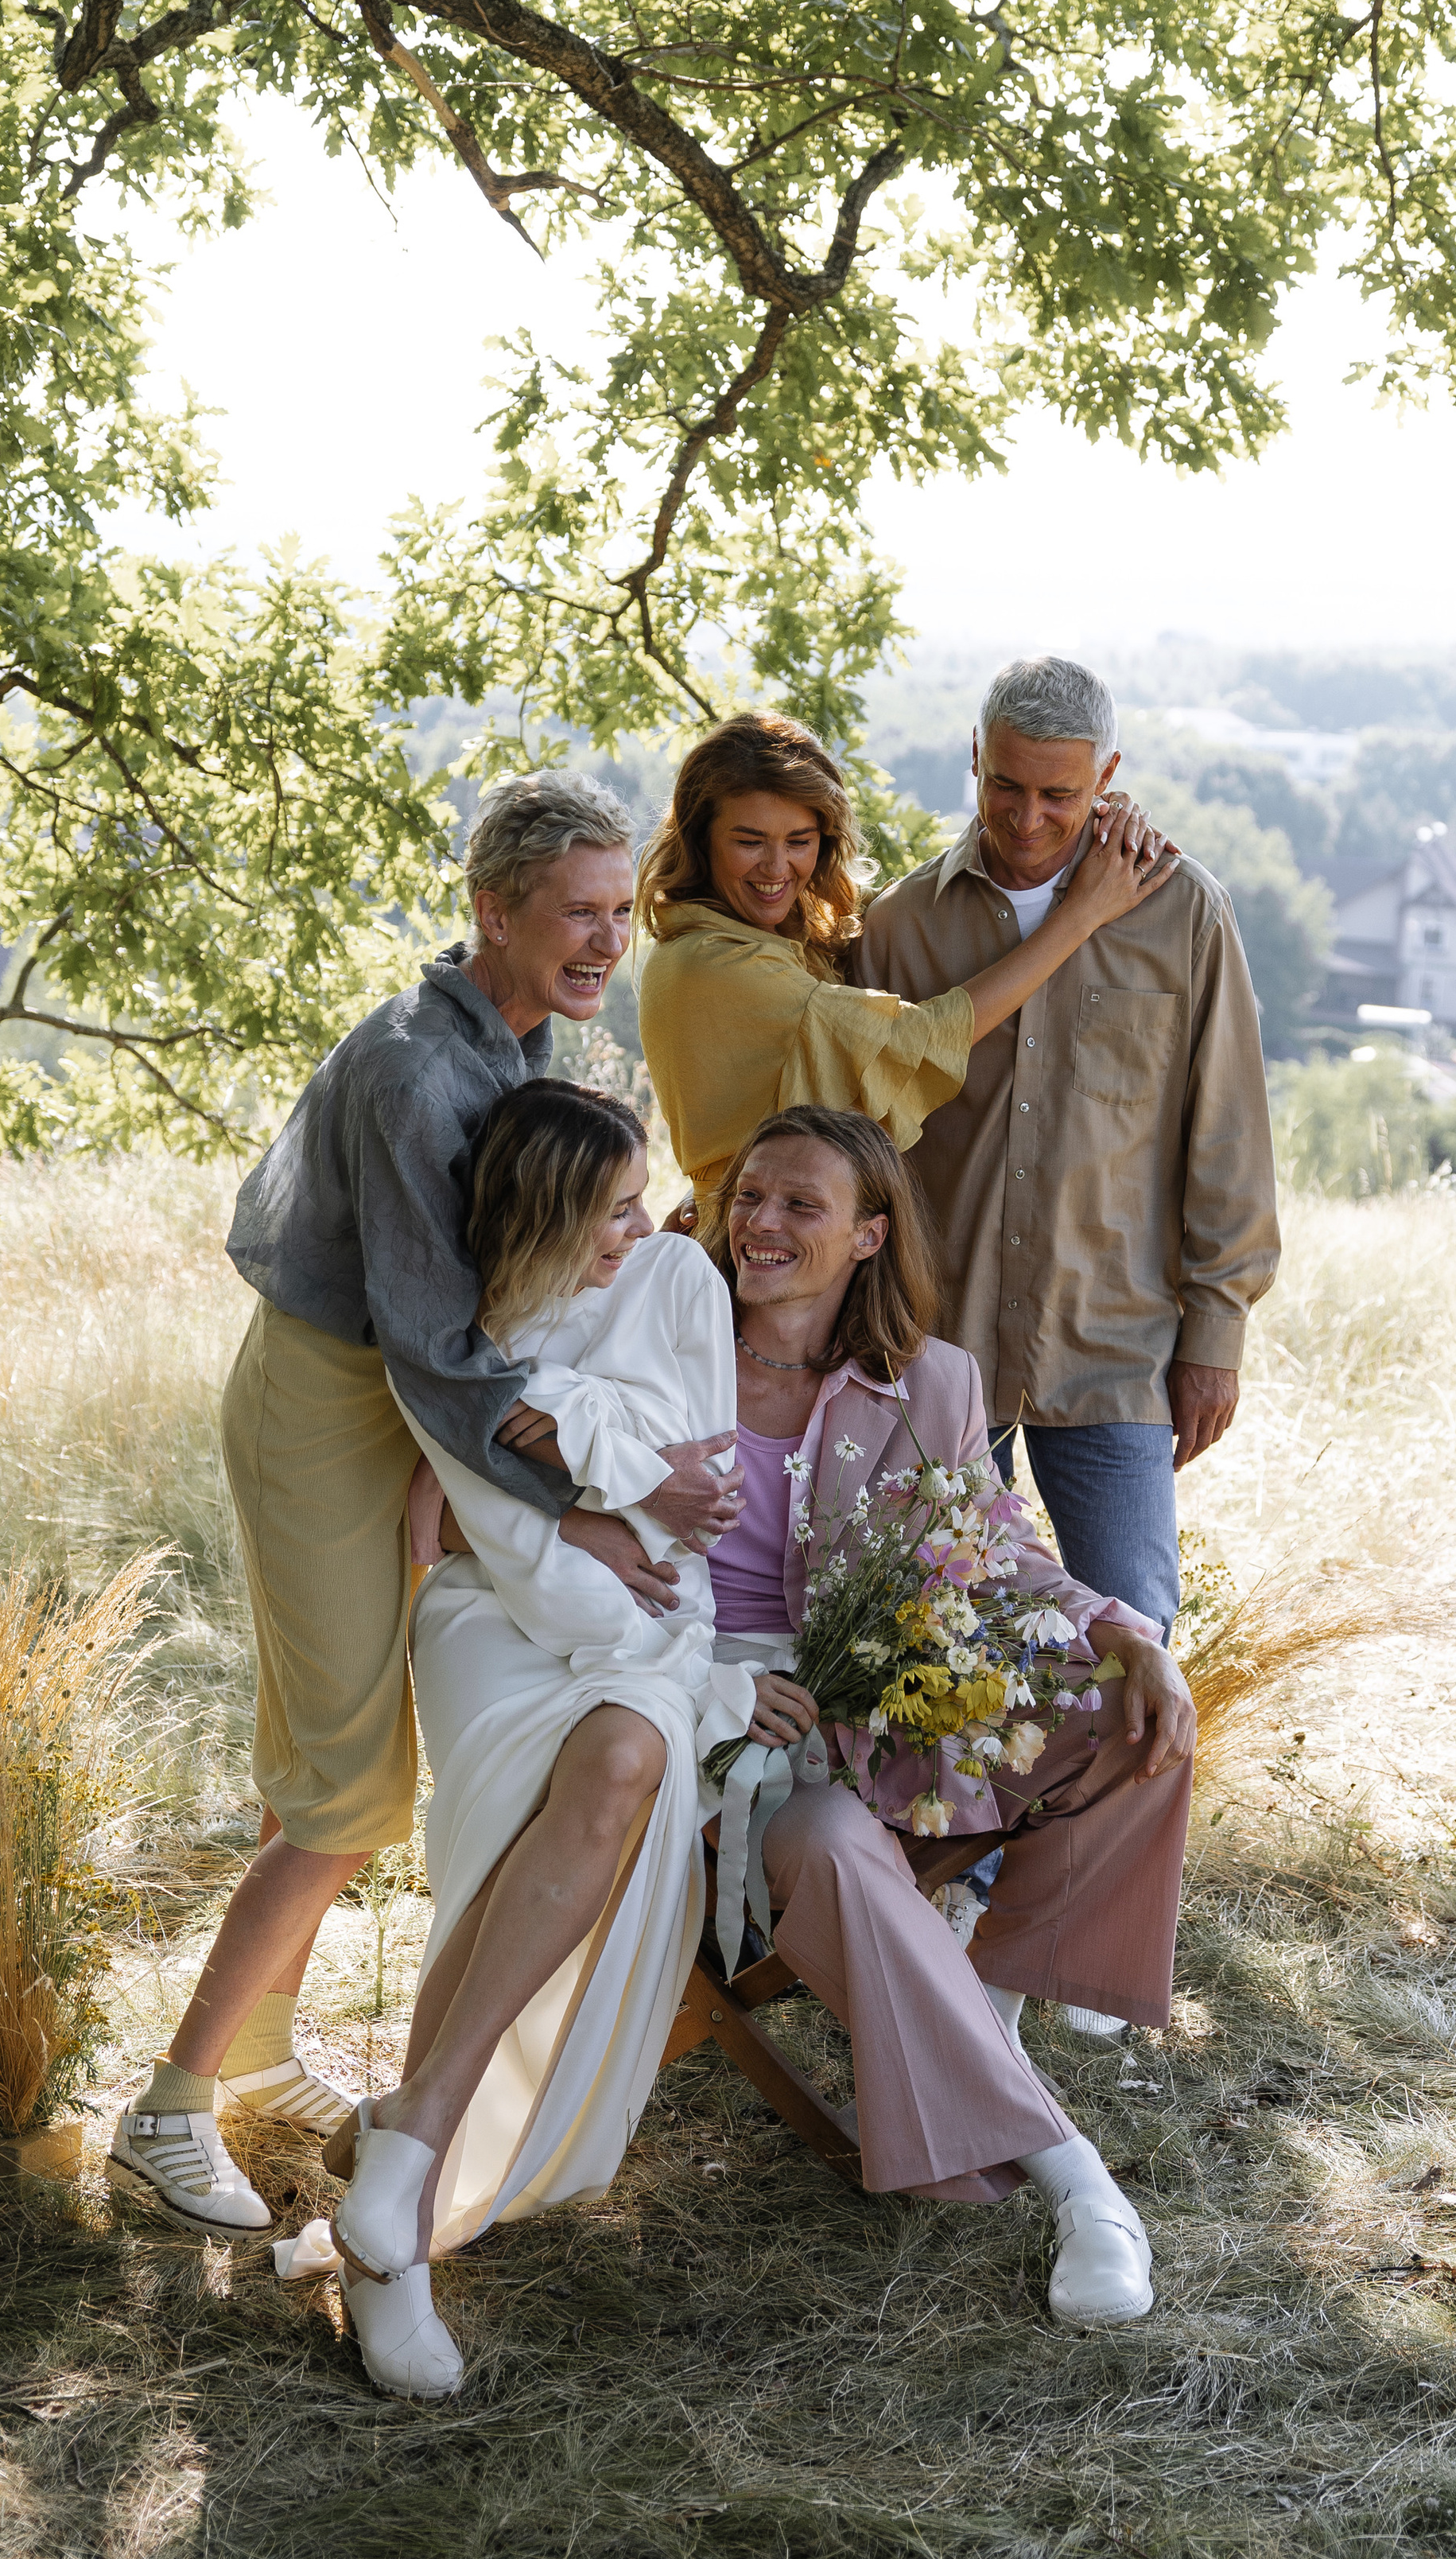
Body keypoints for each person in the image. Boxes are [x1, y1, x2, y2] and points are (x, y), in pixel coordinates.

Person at [111, 775, 740, 2241]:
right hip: (338, 1411)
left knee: (324, 1766)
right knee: (346, 1795)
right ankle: (170, 2106)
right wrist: (586, 1504)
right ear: (492, 911)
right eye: (575, 913)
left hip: (416, 1420)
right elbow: (441, 1351)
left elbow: (505, 1308)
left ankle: (264, 2055)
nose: (603, 941)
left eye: (614, 912)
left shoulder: (523, 1037)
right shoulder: (416, 1075)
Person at [280, 1080, 752, 2399]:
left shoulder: (677, 1281)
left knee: (623, 1757)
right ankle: (393, 2252)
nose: (635, 1227)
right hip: (498, 1610)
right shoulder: (459, 1322)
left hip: (646, 1619)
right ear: (541, 1210)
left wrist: (559, 1455)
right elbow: (492, 1523)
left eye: (635, 1199)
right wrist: (587, 1491)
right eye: (606, 1211)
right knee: (495, 1864)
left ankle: (409, 2140)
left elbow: (693, 1486)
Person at [704, 1105, 1198, 2328]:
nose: (761, 1224)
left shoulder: (930, 1381)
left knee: (1130, 1717)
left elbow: (997, 1553)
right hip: (713, 1721)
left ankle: (982, 2007)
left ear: (870, 1237)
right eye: (749, 1197)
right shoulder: (665, 1346)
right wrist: (702, 1687)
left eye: (799, 1206)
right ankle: (1079, 2181)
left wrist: (1128, 1632)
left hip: (882, 1705)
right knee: (826, 1844)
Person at [854, 651, 1280, 1624]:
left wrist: (1216, 1333)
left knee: (1134, 1626)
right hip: (939, 1344)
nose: (1029, 817)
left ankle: (1114, 1786)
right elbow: (863, 1149)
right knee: (935, 1632)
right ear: (972, 758)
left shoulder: (1183, 912)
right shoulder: (901, 927)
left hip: (1114, 1346)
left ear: (1109, 777)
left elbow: (1228, 1134)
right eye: (1005, 785)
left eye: (1061, 793)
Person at [634, 710, 1172, 1215]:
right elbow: (918, 1040)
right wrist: (1080, 916)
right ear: (702, 840)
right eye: (749, 841)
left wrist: (1091, 809)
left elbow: (905, 914)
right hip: (749, 1259)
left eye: (800, 841)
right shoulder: (708, 962)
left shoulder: (777, 936)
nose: (777, 867)